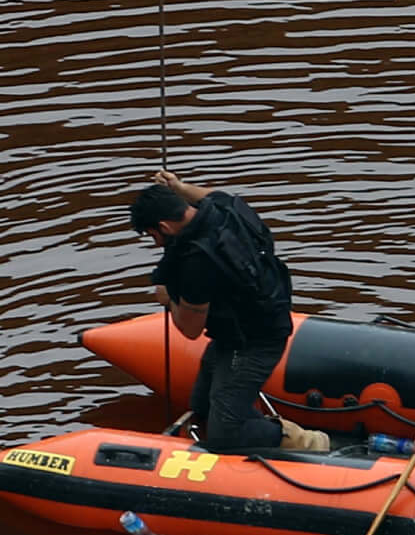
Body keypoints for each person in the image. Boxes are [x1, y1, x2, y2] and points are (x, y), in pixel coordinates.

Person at [132, 171, 332, 454]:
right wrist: (179, 186)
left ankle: (306, 441)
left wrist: (168, 299)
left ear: (163, 226)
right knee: (202, 405)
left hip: (251, 343)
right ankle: (243, 421)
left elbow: (190, 330)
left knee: (226, 431)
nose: (156, 244)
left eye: (154, 236)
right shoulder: (228, 209)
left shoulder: (197, 264)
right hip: (256, 320)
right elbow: (207, 195)